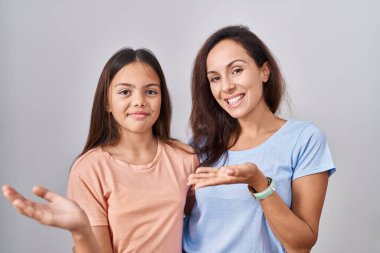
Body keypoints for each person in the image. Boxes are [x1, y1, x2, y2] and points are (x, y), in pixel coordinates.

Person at [2, 48, 198, 253]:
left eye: (151, 91)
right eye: (125, 92)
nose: (139, 101)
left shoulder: (184, 158)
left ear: (162, 98)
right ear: (107, 103)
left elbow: (204, 225)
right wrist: (81, 231)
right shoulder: (89, 169)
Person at [183, 25, 336, 253]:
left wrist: (259, 183)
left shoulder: (304, 140)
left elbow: (301, 244)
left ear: (264, 71)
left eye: (236, 70)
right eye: (215, 78)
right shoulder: (201, 144)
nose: (226, 86)